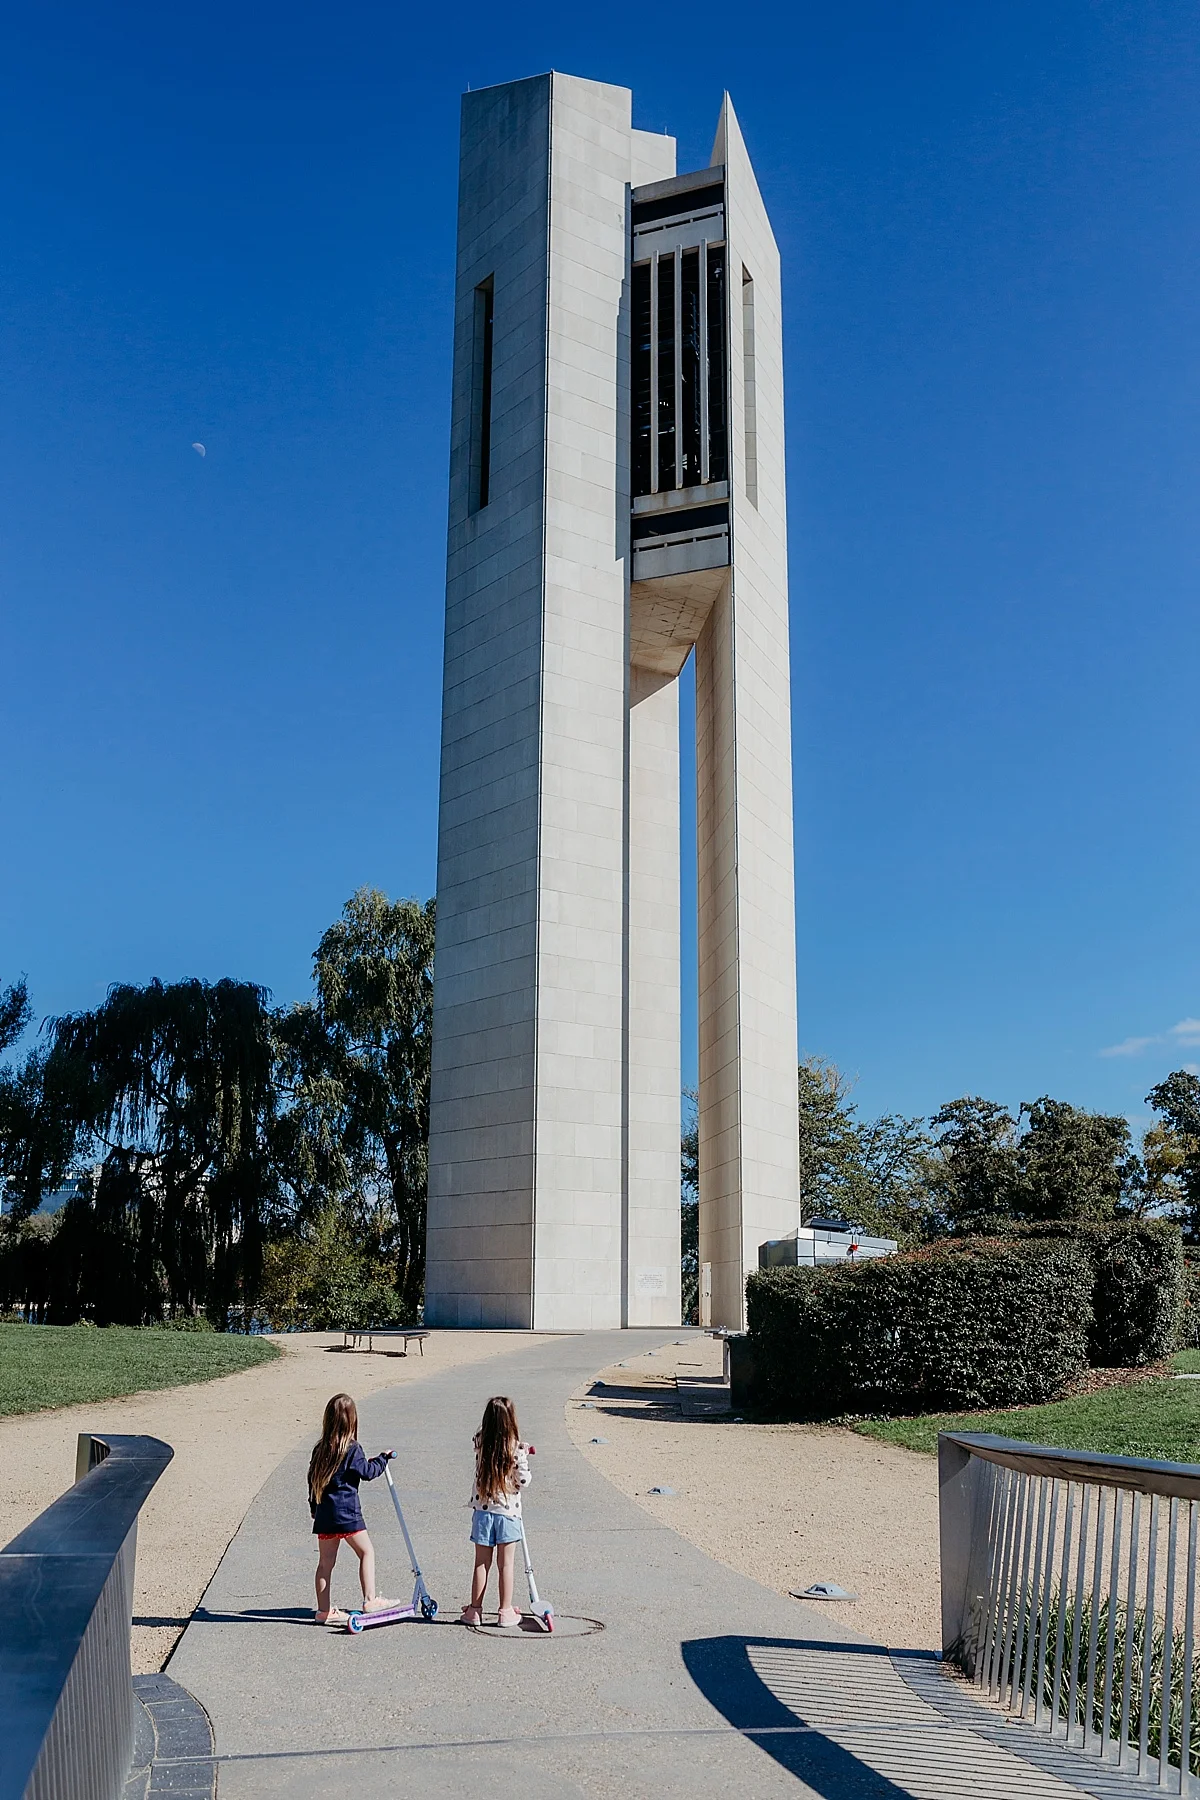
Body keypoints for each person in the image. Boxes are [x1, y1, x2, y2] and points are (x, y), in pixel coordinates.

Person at [307, 1392, 395, 1625]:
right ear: (352, 1421)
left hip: (325, 1514)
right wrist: (382, 1459)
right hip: (347, 1514)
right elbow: (367, 1472)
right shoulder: (352, 1449)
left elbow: (312, 1479)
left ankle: (324, 1611)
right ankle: (370, 1599)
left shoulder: (320, 1449)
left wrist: (314, 1507)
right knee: (366, 1552)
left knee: (325, 1563)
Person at [460, 1394, 530, 1628]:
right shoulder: (516, 1450)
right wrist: (525, 1462)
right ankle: (505, 1610)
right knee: (505, 1564)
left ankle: (475, 1610)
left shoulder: (481, 1441)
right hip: (508, 1513)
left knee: (481, 1563)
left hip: (482, 1512)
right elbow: (522, 1481)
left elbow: (478, 1439)